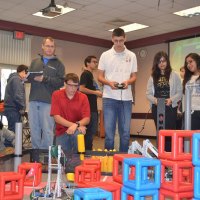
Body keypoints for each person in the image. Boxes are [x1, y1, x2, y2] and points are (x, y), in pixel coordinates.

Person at [98, 28, 137, 152]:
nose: (119, 44)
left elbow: (134, 77)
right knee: (109, 134)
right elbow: (99, 76)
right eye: (116, 41)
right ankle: (109, 161)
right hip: (109, 98)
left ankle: (123, 161)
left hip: (126, 99)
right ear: (112, 39)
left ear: (125, 38)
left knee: (125, 133)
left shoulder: (132, 55)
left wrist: (128, 82)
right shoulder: (105, 55)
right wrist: (109, 83)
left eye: (121, 41)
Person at [28, 36, 65, 152]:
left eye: (52, 46)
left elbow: (60, 82)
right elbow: (31, 77)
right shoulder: (34, 62)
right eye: (47, 46)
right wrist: (26, 78)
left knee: (47, 130)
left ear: (54, 48)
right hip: (33, 100)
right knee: (34, 129)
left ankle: (44, 156)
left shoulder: (59, 64)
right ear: (42, 46)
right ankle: (35, 155)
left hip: (49, 101)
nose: (49, 49)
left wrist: (45, 79)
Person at [146, 51, 182, 151]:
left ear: (167, 62)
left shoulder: (174, 75)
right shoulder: (152, 77)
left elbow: (179, 93)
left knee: (170, 133)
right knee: (160, 132)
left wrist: (171, 99)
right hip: (157, 107)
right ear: (156, 64)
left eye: (164, 61)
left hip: (170, 107)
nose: (162, 63)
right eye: (159, 61)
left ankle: (170, 156)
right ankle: (161, 155)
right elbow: (148, 94)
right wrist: (155, 100)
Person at [50, 73, 90, 152]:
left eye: (76, 86)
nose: (73, 89)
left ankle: (78, 160)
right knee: (61, 159)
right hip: (61, 131)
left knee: (78, 136)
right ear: (65, 84)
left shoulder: (83, 97)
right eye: (70, 85)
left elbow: (87, 119)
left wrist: (76, 125)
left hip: (77, 131)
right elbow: (57, 118)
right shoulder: (56, 94)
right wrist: (75, 125)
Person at [79, 55, 102, 150]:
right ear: (87, 63)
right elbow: (81, 88)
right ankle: (86, 153)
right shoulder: (85, 74)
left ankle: (88, 151)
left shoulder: (90, 75)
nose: (96, 64)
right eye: (94, 62)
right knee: (88, 132)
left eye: (96, 62)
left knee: (91, 132)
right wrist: (95, 92)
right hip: (87, 108)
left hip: (92, 107)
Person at [4, 64, 28, 146]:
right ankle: (7, 149)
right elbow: (18, 96)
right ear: (24, 72)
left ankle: (8, 148)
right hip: (13, 109)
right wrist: (23, 107)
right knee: (13, 132)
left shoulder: (13, 79)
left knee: (12, 130)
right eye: (26, 74)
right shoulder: (16, 79)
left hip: (11, 108)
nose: (26, 76)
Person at [182, 53, 200, 130]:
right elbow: (184, 97)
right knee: (191, 139)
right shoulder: (187, 79)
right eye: (187, 63)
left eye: (191, 61)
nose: (188, 65)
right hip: (190, 113)